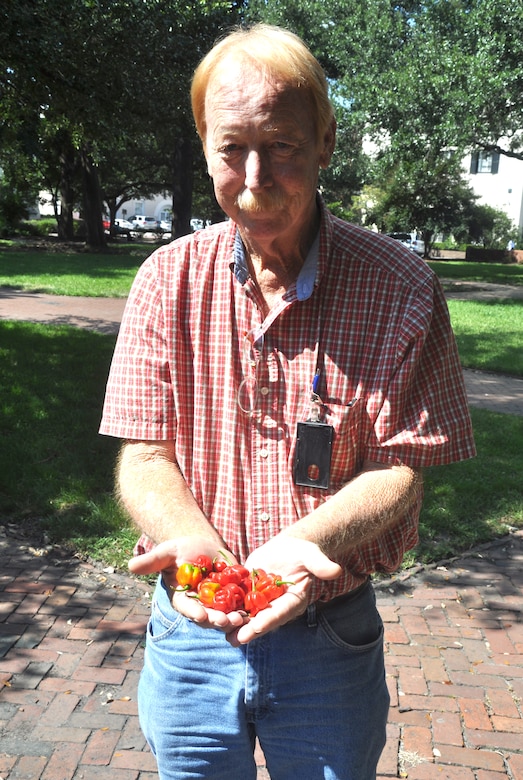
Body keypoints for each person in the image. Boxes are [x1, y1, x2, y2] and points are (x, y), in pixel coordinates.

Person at [100, 23, 476, 780]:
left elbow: (401, 467)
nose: (253, 175)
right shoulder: (165, 279)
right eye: (230, 147)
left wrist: (303, 550)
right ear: (204, 144)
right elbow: (144, 451)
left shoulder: (401, 285)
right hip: (191, 630)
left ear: (325, 144)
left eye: (280, 146)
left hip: (327, 638)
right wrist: (196, 546)